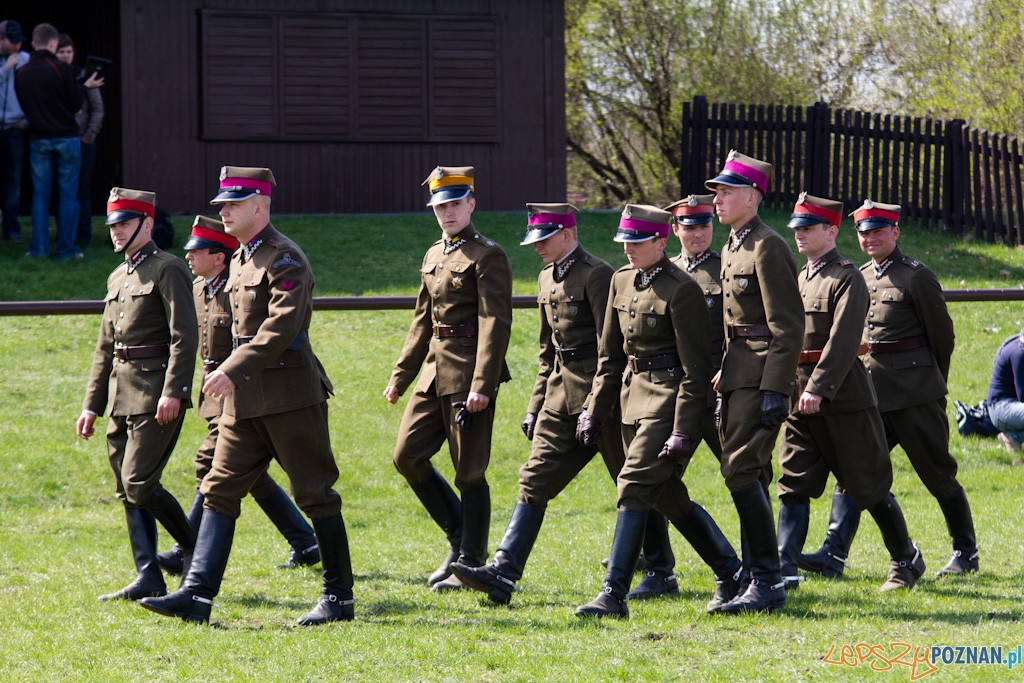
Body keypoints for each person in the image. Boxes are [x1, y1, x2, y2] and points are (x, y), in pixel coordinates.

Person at [140, 166, 354, 625]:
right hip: (244, 402)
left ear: (259, 207)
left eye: (232, 204)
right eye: (222, 205)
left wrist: (232, 371)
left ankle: (339, 597)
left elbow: (282, 326)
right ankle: (196, 596)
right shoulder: (238, 259)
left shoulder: (285, 258)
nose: (224, 211)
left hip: (290, 396)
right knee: (219, 490)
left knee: (314, 493)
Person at [450, 203, 681, 605]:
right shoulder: (545, 278)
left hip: (605, 401)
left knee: (638, 486)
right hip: (560, 397)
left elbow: (614, 347)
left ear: (567, 235)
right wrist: (535, 405)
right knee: (533, 478)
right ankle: (503, 573)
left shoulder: (598, 275)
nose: (537, 247)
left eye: (544, 239)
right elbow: (547, 352)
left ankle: (661, 571)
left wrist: (598, 402)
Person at [573, 204, 742, 619]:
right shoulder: (620, 281)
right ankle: (731, 570)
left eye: (637, 242)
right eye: (625, 242)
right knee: (664, 494)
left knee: (632, 485)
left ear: (660, 243)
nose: (628, 249)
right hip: (632, 400)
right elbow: (610, 358)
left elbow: (694, 369)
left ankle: (613, 594)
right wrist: (594, 410)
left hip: (668, 400)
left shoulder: (680, 288)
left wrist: (683, 429)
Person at [800, 200, 979, 579]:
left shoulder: (918, 276)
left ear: (895, 233)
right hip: (870, 395)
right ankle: (833, 553)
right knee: (854, 470)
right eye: (864, 232)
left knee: (937, 472)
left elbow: (942, 338)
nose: (871, 238)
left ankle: (966, 552)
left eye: (879, 231)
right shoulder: (857, 276)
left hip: (915, 395)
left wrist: (933, 385)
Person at [155, 215, 320, 576]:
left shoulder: (242, 281)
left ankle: (187, 550)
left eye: (197, 251)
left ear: (220, 257)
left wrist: (231, 375)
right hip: (217, 392)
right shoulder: (201, 289)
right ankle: (304, 540)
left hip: (247, 386)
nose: (189, 258)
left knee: (213, 467)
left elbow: (260, 336)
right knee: (246, 474)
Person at [777, 193, 925, 594]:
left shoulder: (847, 277)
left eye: (809, 228)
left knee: (868, 485)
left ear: (831, 230)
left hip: (843, 399)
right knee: (793, 483)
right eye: (798, 229)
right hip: (799, 396)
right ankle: (783, 568)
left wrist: (819, 388)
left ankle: (905, 560)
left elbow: (843, 342)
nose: (801, 236)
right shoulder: (802, 276)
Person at [383, 166, 513, 591]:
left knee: (469, 471)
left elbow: (495, 323)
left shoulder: (487, 254)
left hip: (467, 376)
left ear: (471, 204)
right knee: (407, 455)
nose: (447, 212)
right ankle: (458, 538)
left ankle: (472, 560)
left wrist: (483, 384)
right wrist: (400, 376)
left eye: (455, 203)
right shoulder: (433, 255)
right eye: (440, 205)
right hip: (432, 374)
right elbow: (422, 321)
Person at [75, 187, 198, 602]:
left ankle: (195, 550)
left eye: (124, 223)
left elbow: (185, 335)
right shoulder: (118, 276)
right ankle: (148, 574)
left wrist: (175, 391)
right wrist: (92, 405)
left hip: (155, 394)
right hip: (120, 395)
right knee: (126, 487)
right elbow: (105, 347)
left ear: (147, 223)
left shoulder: (169, 268)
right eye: (112, 224)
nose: (115, 232)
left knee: (140, 483)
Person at [705, 150, 803, 614]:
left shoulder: (767, 245)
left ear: (751, 195)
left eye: (726, 192)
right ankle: (755, 576)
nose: (717, 200)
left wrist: (775, 388)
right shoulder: (732, 244)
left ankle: (768, 580)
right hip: (738, 372)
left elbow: (787, 326)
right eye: (717, 191)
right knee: (750, 473)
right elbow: (734, 322)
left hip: (762, 373)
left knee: (740, 468)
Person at [14, 22, 102, 260]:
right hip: (66, 139)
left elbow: (26, 105)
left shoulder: (21, 72)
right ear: (53, 43)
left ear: (33, 44)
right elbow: (74, 105)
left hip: (39, 140)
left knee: (40, 197)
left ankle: (38, 250)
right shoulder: (60, 68)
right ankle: (67, 251)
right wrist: (85, 87)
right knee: (68, 196)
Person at [55, 33, 103, 248]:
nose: (65, 55)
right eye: (61, 52)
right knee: (62, 189)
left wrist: (88, 136)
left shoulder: (85, 76)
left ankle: (83, 236)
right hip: (60, 140)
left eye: (69, 51)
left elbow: (97, 109)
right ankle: (64, 234)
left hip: (83, 141)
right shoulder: (51, 76)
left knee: (82, 189)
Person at [0, 19, 28, 243]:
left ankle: (11, 228)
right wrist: (6, 69)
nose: (18, 46)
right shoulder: (7, 64)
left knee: (13, 179)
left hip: (15, 130)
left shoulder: (26, 59)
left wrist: (27, 120)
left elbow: (38, 91)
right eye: (14, 41)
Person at [986, 329, 1024, 452]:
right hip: (1001, 408)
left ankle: (1013, 437)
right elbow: (1022, 396)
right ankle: (1013, 438)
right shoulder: (1019, 354)